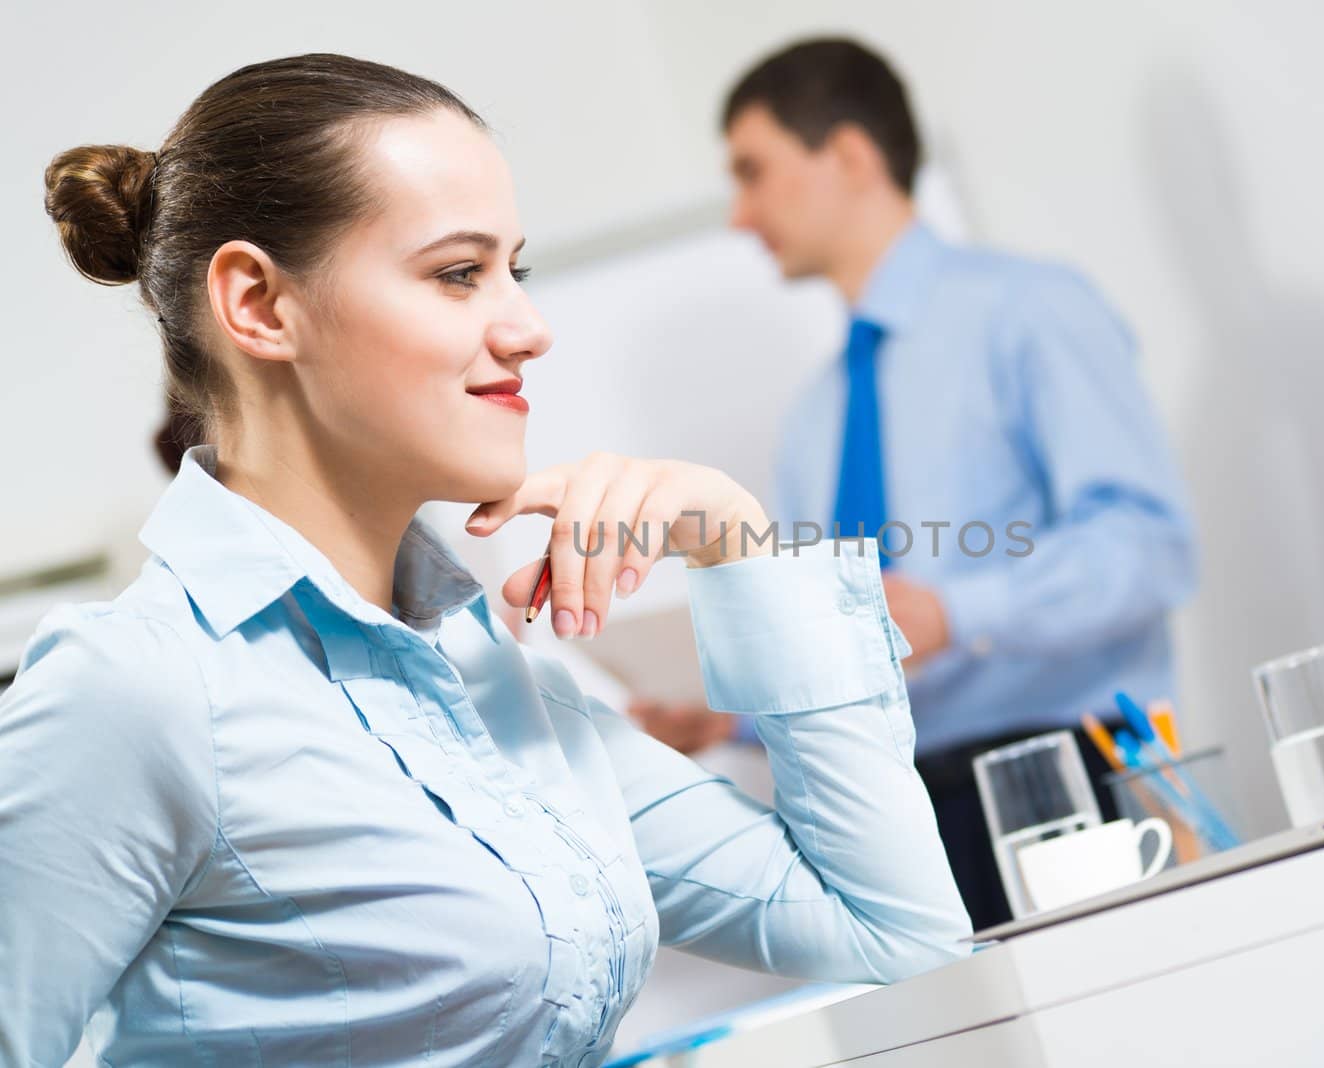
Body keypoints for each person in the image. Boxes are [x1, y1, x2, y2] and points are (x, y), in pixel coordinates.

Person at [2, 52, 969, 1067]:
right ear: (258, 304)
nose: (530, 328)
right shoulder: (137, 692)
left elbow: (895, 936)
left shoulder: (492, 681)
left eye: (519, 271)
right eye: (458, 273)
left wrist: (732, 540)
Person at [632, 38, 1197, 933]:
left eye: (754, 172)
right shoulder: (817, 416)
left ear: (850, 155)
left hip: (1083, 771)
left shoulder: (1031, 310)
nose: (741, 215)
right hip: (914, 816)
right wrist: (728, 722)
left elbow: (1146, 549)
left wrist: (953, 612)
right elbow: (854, 637)